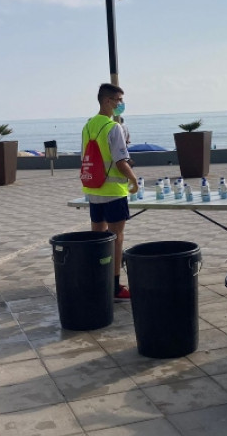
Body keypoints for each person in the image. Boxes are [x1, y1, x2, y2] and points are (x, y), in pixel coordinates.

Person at [82, 83, 139, 301]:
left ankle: (98, 281)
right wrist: (133, 180)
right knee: (116, 238)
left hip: (94, 189)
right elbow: (120, 161)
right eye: (119, 100)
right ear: (108, 101)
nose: (121, 104)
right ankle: (115, 287)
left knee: (98, 237)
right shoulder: (112, 127)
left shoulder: (88, 126)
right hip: (114, 191)